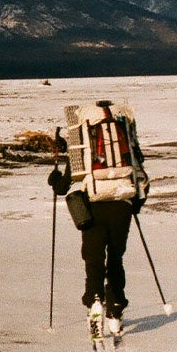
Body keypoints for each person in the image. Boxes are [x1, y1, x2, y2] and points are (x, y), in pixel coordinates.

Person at [49, 100, 148, 332]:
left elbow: (63, 186)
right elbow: (141, 176)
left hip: (93, 206)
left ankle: (94, 301)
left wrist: (54, 179)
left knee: (93, 260)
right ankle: (115, 311)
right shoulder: (125, 140)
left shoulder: (83, 147)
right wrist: (133, 205)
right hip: (121, 206)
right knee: (116, 259)